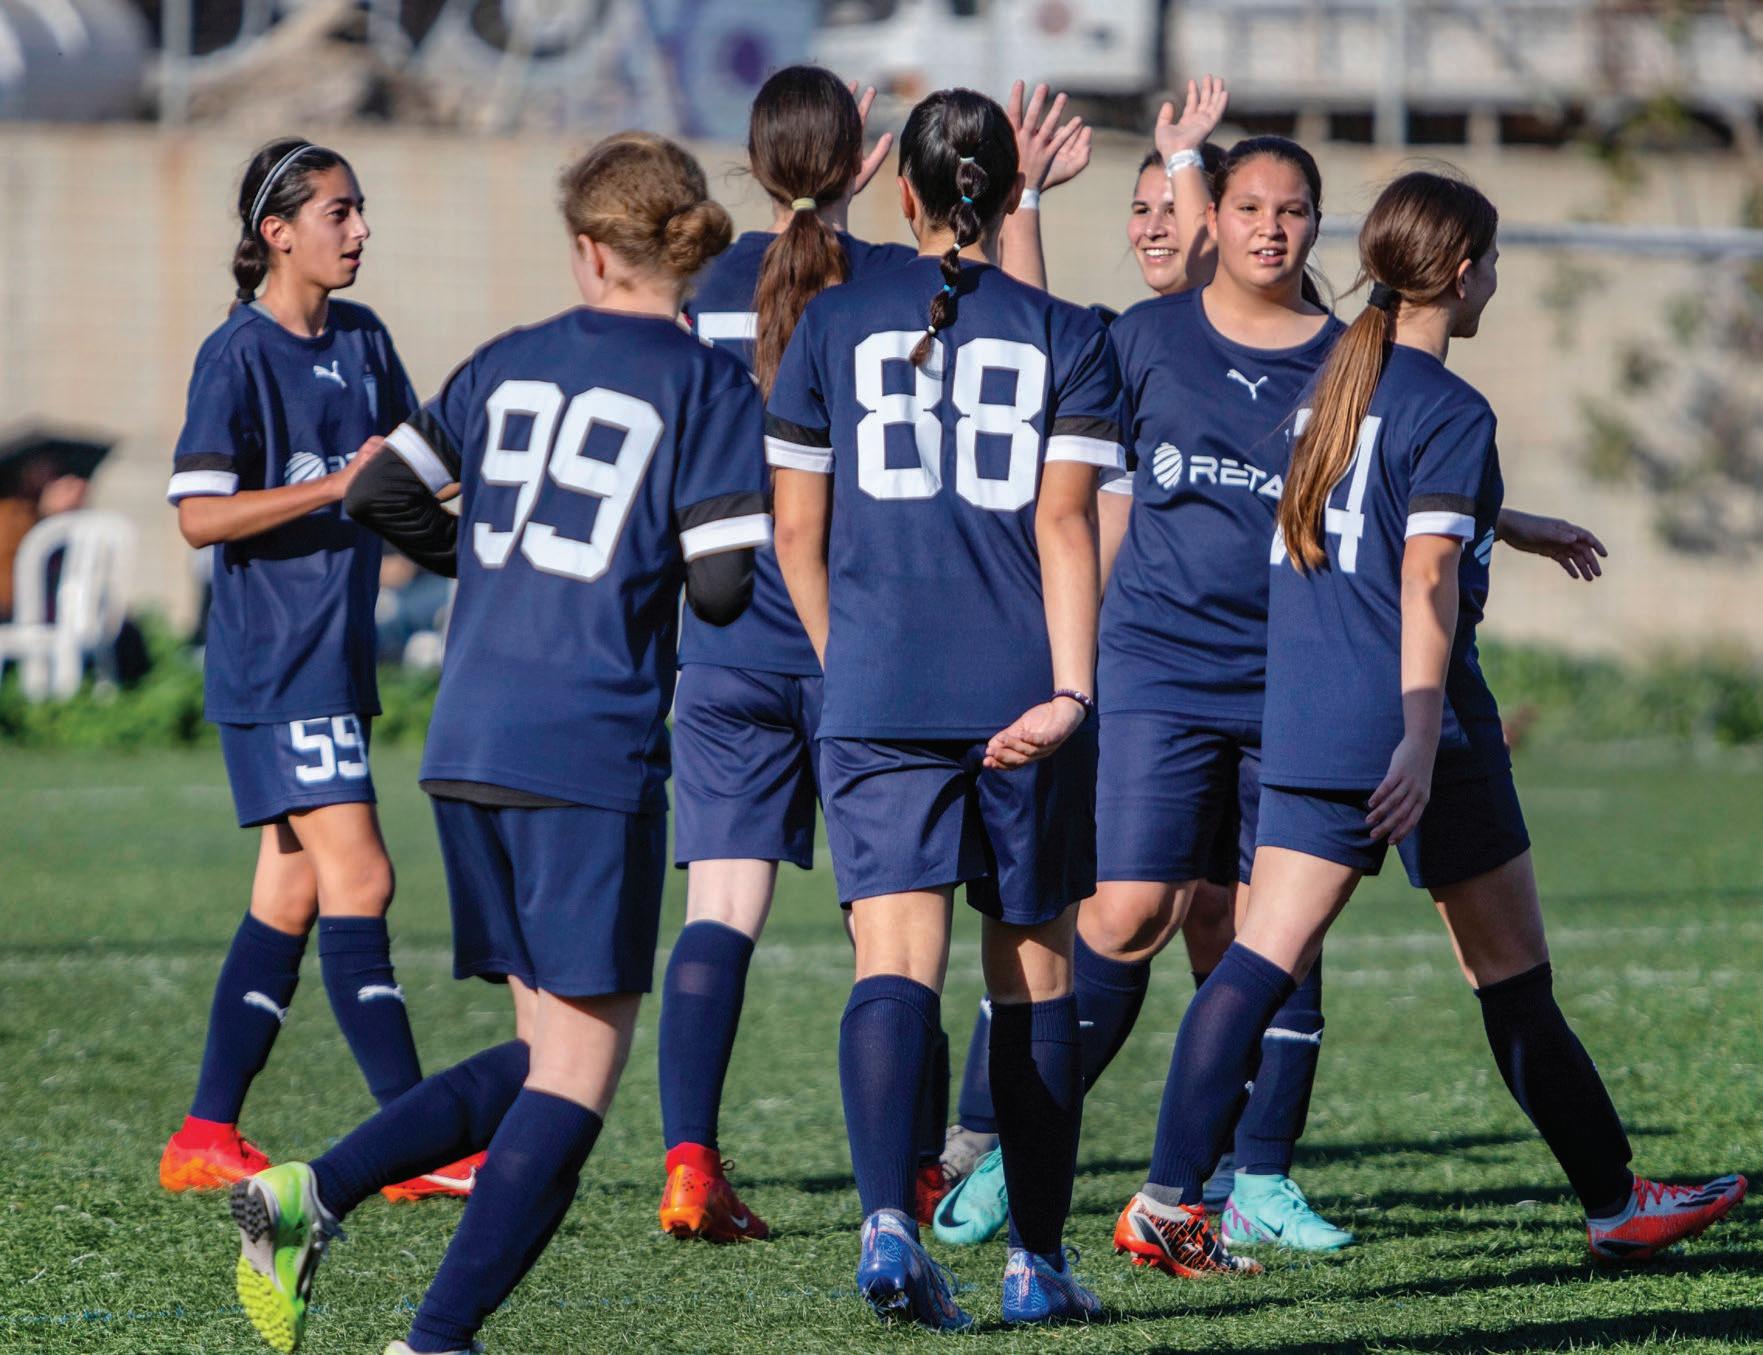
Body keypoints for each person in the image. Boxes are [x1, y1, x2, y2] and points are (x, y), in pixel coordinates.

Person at [1138, 166, 1746, 1277]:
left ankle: (1166, 1199)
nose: (1496, 277)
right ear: (1462, 274)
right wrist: (1420, 737)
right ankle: (1615, 1203)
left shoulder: (1326, 381)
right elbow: (1421, 577)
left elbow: (1378, 496)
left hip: (1306, 709)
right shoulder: (1452, 406)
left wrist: (1503, 520)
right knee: (1511, 976)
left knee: (1258, 959)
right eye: (1493, 260)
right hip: (1423, 721)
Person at [225, 131, 771, 1355]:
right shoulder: (706, 386)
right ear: (680, 247)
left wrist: (483, 562)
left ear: (588, 250)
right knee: (578, 1077)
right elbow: (723, 589)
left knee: (544, 1052)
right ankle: (435, 1337)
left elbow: (380, 491)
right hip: (588, 743)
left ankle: (312, 1191)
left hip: (469, 734)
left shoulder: (508, 357)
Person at [663, 66, 1089, 1239]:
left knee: (737, 910)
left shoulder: (716, 286)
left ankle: (702, 1158)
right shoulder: (895, 287)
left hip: (742, 628)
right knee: (933, 940)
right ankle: (934, 1185)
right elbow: (1029, 383)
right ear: (871, 168)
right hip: (899, 635)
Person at [770, 85, 1124, 1328]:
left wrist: (852, 660)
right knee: (1033, 974)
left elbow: (795, 534)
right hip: (1023, 683)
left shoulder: (826, 320)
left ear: (900, 191)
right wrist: (1071, 690)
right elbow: (1066, 524)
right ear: (1014, 193)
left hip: (877, 685)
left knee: (892, 962)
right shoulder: (1069, 331)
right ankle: (1035, 1261)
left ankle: (886, 1224)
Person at [160, 138, 475, 1204]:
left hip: (332, 658)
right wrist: (335, 486)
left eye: (360, 208)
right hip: (278, 660)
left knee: (293, 889)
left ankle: (205, 1132)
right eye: (338, 212)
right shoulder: (236, 355)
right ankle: (414, 1140)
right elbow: (199, 515)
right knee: (363, 878)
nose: (360, 229)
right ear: (276, 233)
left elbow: (413, 475)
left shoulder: (364, 337)